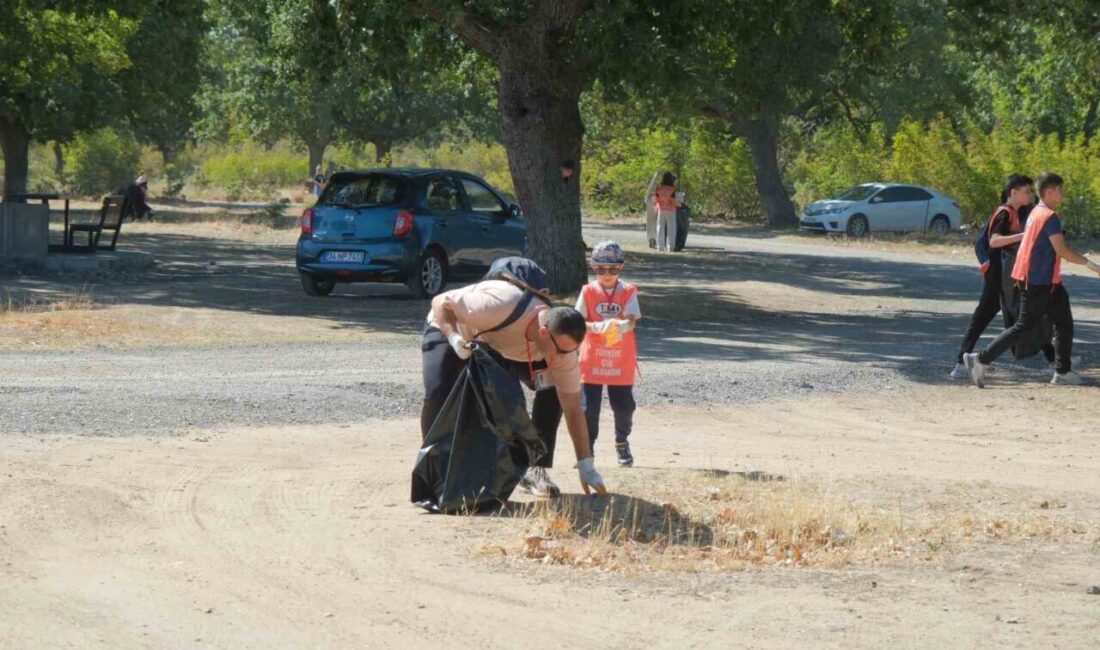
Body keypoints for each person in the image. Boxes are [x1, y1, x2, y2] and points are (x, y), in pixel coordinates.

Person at [421, 271, 607, 497]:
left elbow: (573, 408)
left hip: (498, 346)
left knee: (544, 395)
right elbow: (441, 302)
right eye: (559, 350)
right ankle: (434, 471)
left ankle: (533, 469)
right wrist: (454, 339)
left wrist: (586, 464)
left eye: (570, 351)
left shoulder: (562, 351)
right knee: (439, 390)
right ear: (543, 332)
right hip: (452, 328)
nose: (563, 356)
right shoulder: (500, 304)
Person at [964, 172, 1100, 387]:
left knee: (1064, 323)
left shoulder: (1037, 212)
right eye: (1060, 189)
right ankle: (979, 359)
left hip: (1047, 282)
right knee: (1023, 326)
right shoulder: (1048, 217)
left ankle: (1062, 371)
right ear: (1049, 192)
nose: (1062, 193)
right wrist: (1092, 265)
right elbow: (1061, 250)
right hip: (1038, 282)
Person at [951, 175, 1042, 378]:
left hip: (1008, 276)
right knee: (987, 318)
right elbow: (993, 241)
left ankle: (1058, 362)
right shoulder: (1005, 213)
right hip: (998, 278)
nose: (1030, 195)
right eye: (1027, 191)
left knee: (1025, 316)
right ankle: (961, 361)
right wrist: (1024, 235)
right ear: (1014, 193)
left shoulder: (1018, 212)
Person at [575, 241, 641, 467]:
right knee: (588, 409)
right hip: (592, 357)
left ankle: (622, 442)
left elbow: (631, 321)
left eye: (612, 269)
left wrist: (619, 326)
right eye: (600, 269)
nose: (607, 274)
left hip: (620, 359)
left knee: (624, 406)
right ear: (593, 268)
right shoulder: (587, 291)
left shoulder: (629, 290)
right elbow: (577, 322)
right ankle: (587, 450)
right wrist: (595, 327)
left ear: (620, 267)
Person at [653, 172, 678, 252]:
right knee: (671, 228)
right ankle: (670, 247)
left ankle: (660, 246)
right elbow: (673, 200)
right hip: (670, 210)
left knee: (660, 227)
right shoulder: (672, 188)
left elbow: (656, 199)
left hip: (661, 209)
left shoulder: (659, 188)